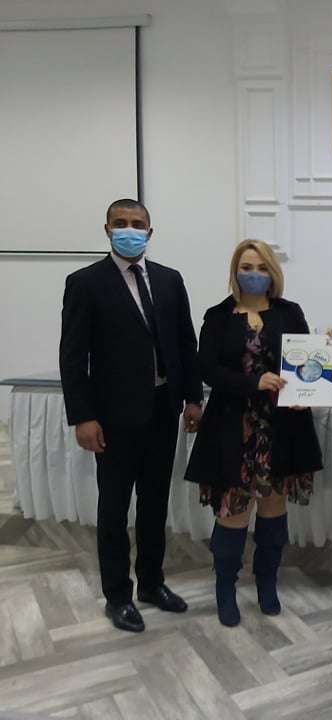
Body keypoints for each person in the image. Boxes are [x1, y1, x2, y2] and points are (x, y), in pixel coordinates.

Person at [59, 198, 204, 633]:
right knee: (114, 507)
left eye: (137, 223)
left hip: (163, 410)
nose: (129, 230)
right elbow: (73, 356)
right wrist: (82, 417)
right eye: (120, 223)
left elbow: (186, 343)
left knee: (155, 504)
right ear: (107, 230)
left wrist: (193, 399)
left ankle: (152, 583)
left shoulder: (169, 279)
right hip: (113, 418)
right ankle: (118, 595)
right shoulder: (85, 283)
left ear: (149, 232)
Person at [184, 239, 322, 627]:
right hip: (232, 430)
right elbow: (207, 369)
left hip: (281, 429)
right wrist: (253, 382)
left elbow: (305, 364)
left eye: (262, 267)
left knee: (274, 514)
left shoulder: (290, 312)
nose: (255, 274)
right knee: (233, 514)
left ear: (272, 272)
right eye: (247, 267)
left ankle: (267, 583)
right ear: (235, 271)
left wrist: (306, 391)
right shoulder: (217, 316)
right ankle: (225, 588)